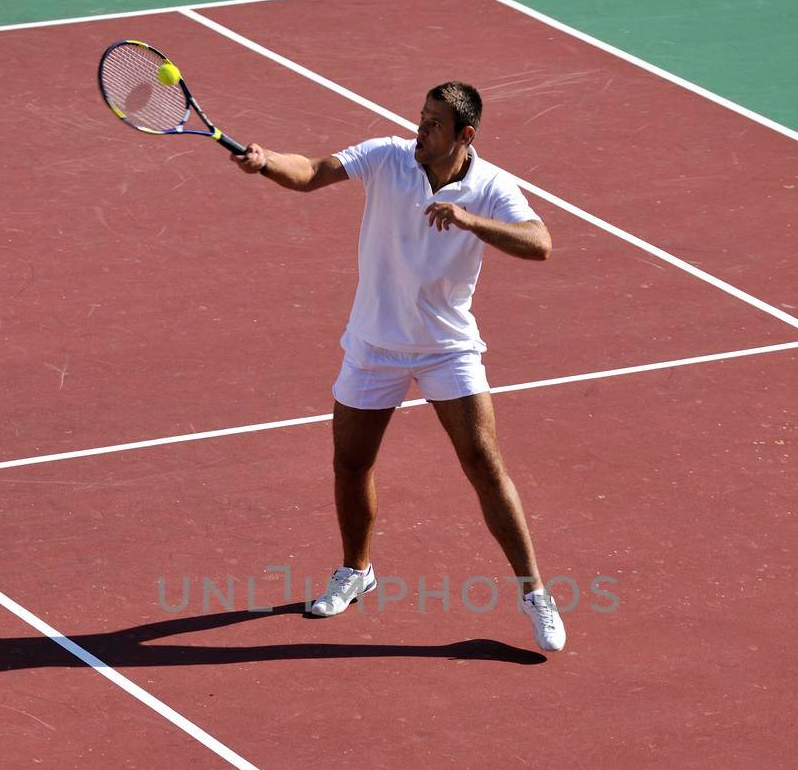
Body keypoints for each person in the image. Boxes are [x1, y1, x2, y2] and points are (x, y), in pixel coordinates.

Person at [232, 81, 566, 653]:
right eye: (419, 117)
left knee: (484, 464)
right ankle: (355, 570)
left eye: (433, 123)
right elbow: (311, 171)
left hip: (447, 347)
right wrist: (266, 163)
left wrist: (469, 220)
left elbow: (540, 244)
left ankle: (537, 596)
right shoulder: (387, 156)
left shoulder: (490, 188)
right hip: (375, 344)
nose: (419, 129)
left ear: (465, 136)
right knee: (351, 463)